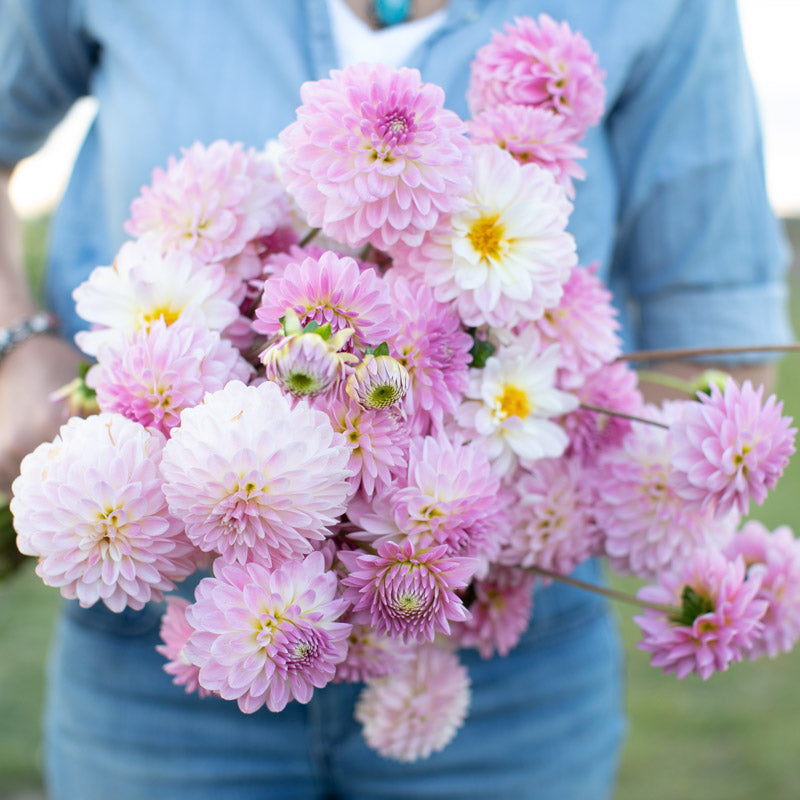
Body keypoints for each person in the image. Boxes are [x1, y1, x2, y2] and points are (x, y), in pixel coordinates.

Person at [0, 1, 790, 798]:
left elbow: (715, 320)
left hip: (504, 676)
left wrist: (532, 495)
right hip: (161, 659)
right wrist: (19, 345)